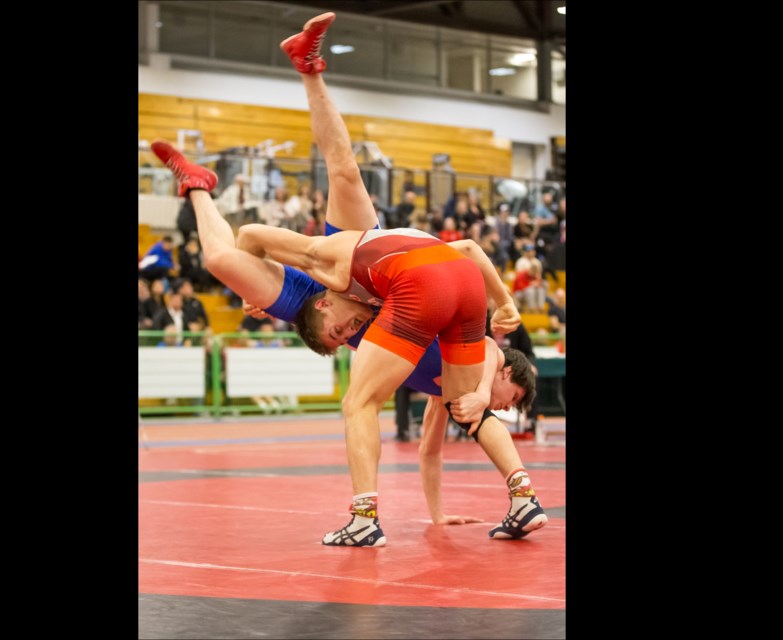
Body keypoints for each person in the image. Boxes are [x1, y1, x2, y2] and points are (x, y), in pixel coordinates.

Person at [150, 13, 547, 545]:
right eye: (344, 338)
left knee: (343, 171)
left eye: (343, 336)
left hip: (384, 284)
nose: (348, 337)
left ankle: (307, 69)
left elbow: (443, 435)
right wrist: (258, 281)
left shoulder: (420, 360)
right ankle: (197, 186)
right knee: (225, 259)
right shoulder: (330, 266)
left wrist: (437, 513)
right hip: (363, 274)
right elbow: (255, 234)